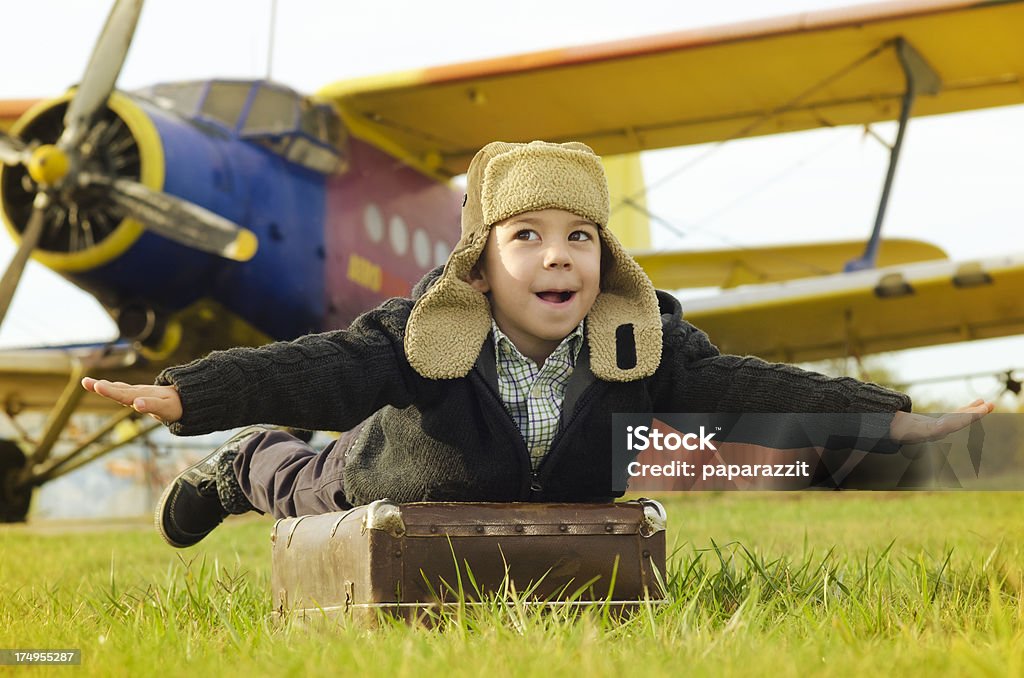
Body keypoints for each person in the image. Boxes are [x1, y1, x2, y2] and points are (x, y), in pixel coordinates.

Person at [81, 140, 993, 548]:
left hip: (540, 523)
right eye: (527, 236)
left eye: (580, 237)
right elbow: (315, 367)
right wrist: (194, 397)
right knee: (303, 485)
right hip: (388, 481)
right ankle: (240, 466)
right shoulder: (420, 337)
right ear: (479, 266)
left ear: (604, 257)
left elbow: (750, 390)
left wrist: (892, 420)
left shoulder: (642, 346)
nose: (558, 255)